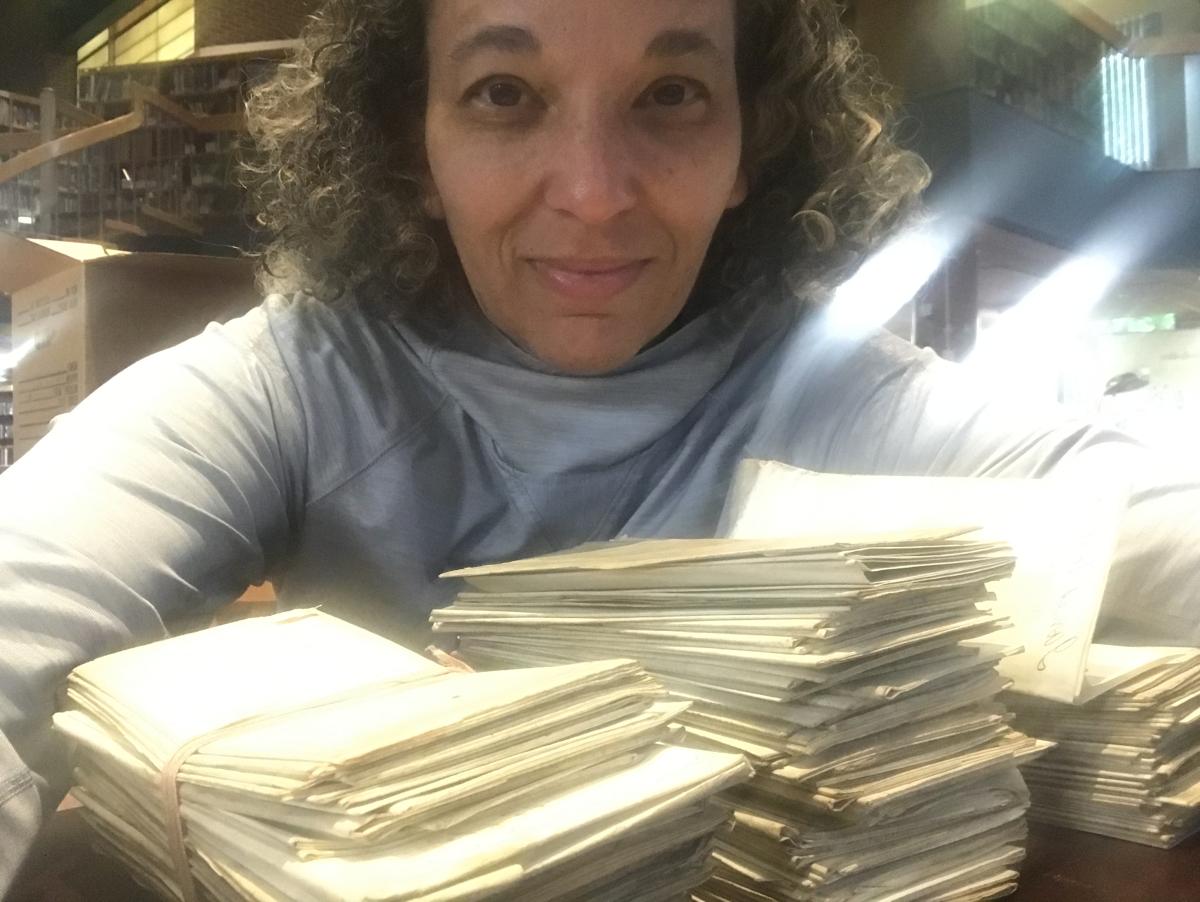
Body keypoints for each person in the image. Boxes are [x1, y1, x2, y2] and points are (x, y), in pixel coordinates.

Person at [2, 0, 1198, 891]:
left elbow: (1154, 517)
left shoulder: (836, 392)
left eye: (670, 95)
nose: (593, 191)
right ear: (411, 143)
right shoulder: (299, 380)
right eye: (504, 96)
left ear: (754, 143)